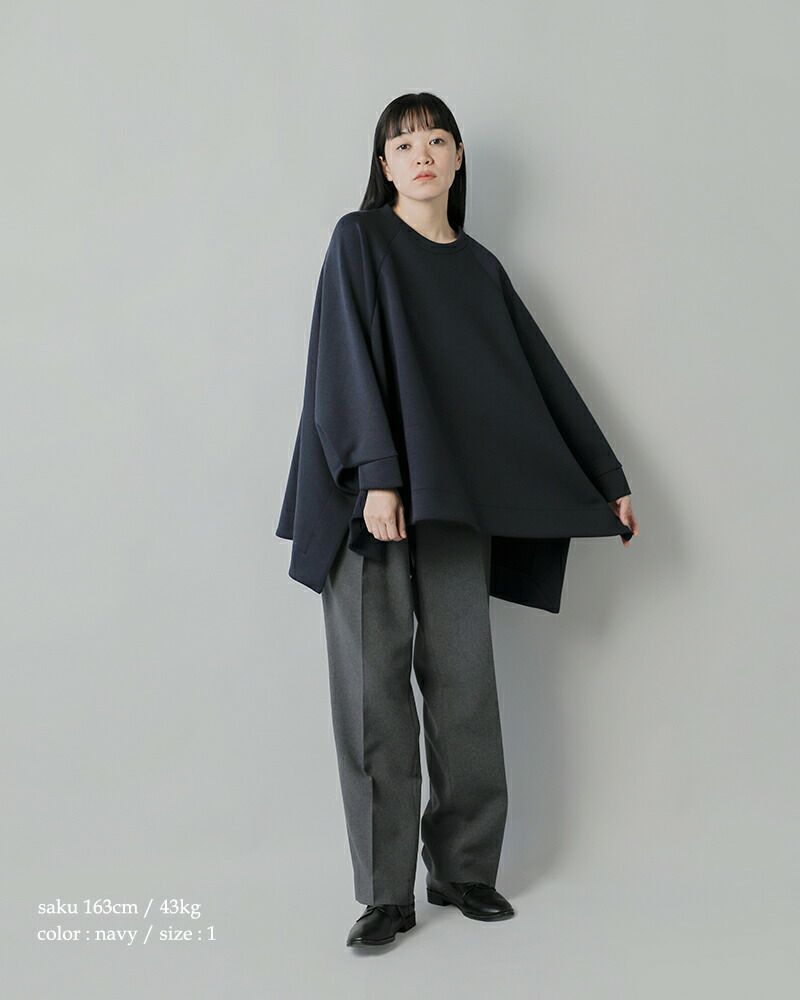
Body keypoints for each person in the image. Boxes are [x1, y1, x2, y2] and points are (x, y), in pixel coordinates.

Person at [276, 92, 640, 949]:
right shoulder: (360, 241)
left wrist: (606, 477)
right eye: (404, 144)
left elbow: (538, 376)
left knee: (465, 692)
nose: (422, 154)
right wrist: (376, 476)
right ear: (384, 165)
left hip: (450, 505)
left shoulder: (479, 269)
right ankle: (386, 895)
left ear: (459, 158)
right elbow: (341, 361)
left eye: (437, 139)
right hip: (365, 503)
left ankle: (465, 870)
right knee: (373, 699)